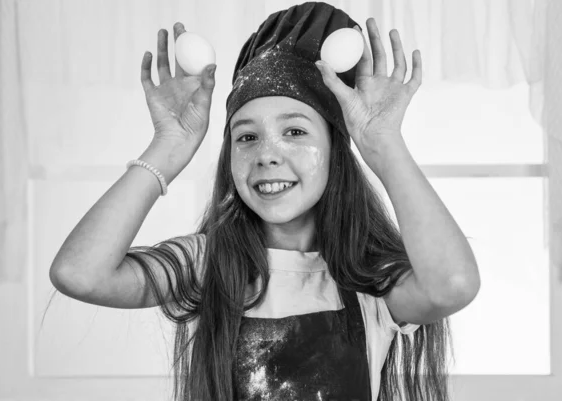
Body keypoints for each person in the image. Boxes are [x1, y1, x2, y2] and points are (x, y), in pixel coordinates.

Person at [49, 2, 479, 400]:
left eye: (294, 131)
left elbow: (453, 285)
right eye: (247, 137)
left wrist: (384, 144)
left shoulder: (369, 279)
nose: (267, 154)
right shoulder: (209, 264)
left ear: (334, 150)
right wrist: (168, 145)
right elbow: (79, 273)